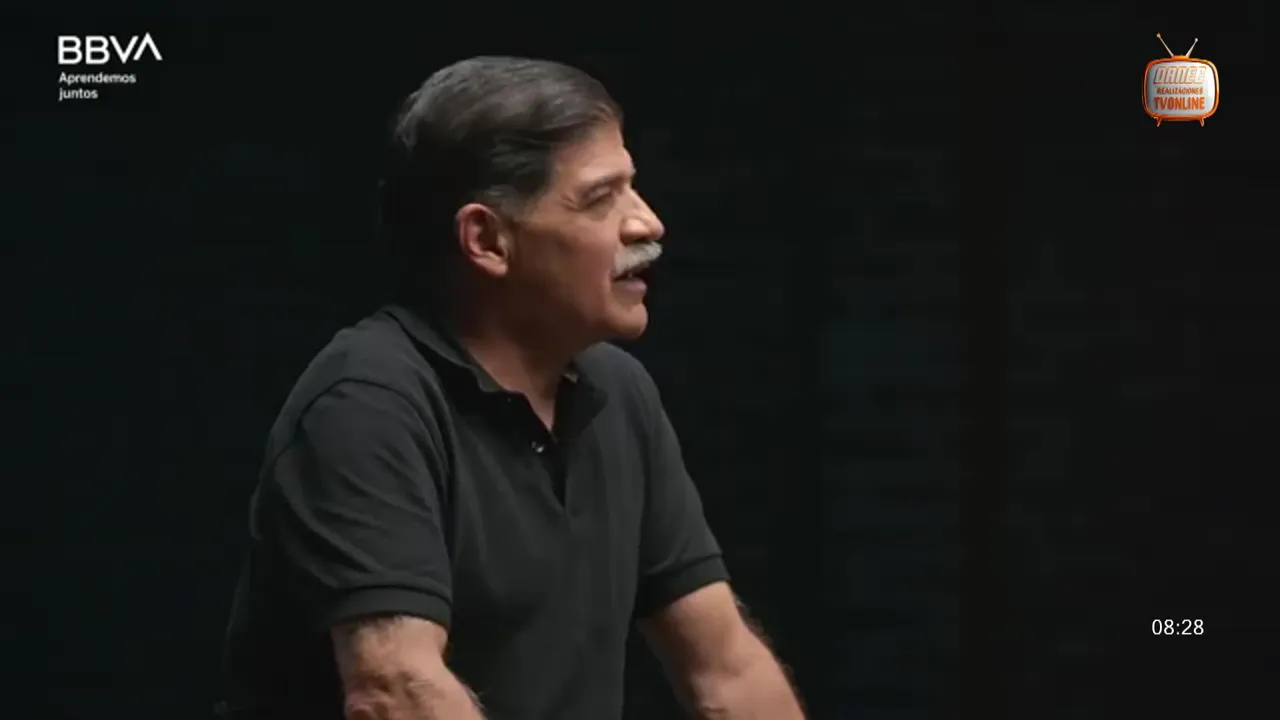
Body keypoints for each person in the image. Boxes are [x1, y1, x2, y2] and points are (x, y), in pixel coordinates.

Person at [216, 56, 805, 720]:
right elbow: (397, 689)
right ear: (487, 240)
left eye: (632, 188)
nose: (646, 223)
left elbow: (727, 669)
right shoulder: (367, 404)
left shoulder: (618, 394)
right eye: (600, 198)